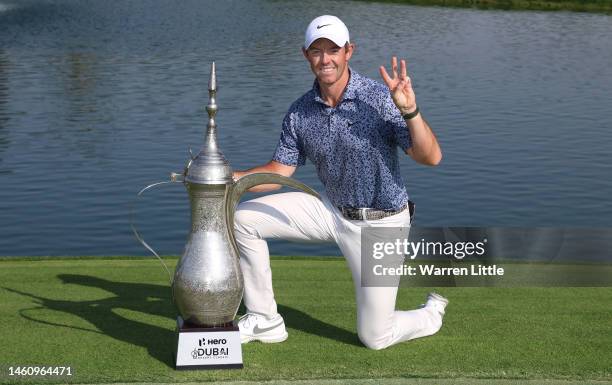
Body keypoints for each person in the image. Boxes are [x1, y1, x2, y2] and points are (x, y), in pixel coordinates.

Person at [232, 15, 447, 350]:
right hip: (331, 212)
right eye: (316, 51)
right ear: (306, 55)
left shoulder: (378, 98)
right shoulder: (300, 112)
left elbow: (430, 157)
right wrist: (227, 178)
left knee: (375, 337)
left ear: (349, 51)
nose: (325, 59)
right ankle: (264, 320)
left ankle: (431, 313)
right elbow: (279, 172)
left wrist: (410, 111)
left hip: (382, 223)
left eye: (332, 49)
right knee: (243, 218)